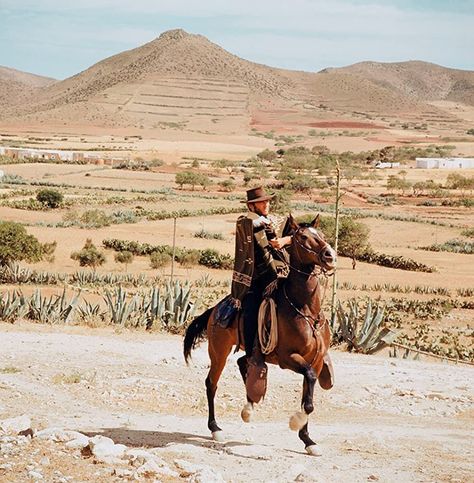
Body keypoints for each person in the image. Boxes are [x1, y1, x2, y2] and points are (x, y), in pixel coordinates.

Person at [231, 186, 292, 402]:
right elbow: (245, 223)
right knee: (251, 309)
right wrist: (259, 222)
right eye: (262, 203)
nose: (267, 205)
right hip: (256, 279)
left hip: (278, 272)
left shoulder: (270, 221)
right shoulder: (247, 221)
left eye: (268, 202)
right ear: (252, 205)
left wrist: (284, 241)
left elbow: (296, 236)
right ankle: (250, 355)